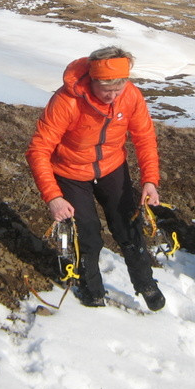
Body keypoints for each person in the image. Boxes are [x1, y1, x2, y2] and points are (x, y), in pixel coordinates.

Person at [25, 46, 165, 311]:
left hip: (112, 166)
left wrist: (150, 180)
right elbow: (38, 150)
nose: (112, 97)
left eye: (118, 90)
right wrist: (53, 196)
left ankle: (146, 283)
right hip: (70, 171)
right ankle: (92, 289)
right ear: (92, 81)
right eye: (106, 90)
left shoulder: (131, 96)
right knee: (88, 232)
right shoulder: (66, 101)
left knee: (128, 226)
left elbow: (144, 138)